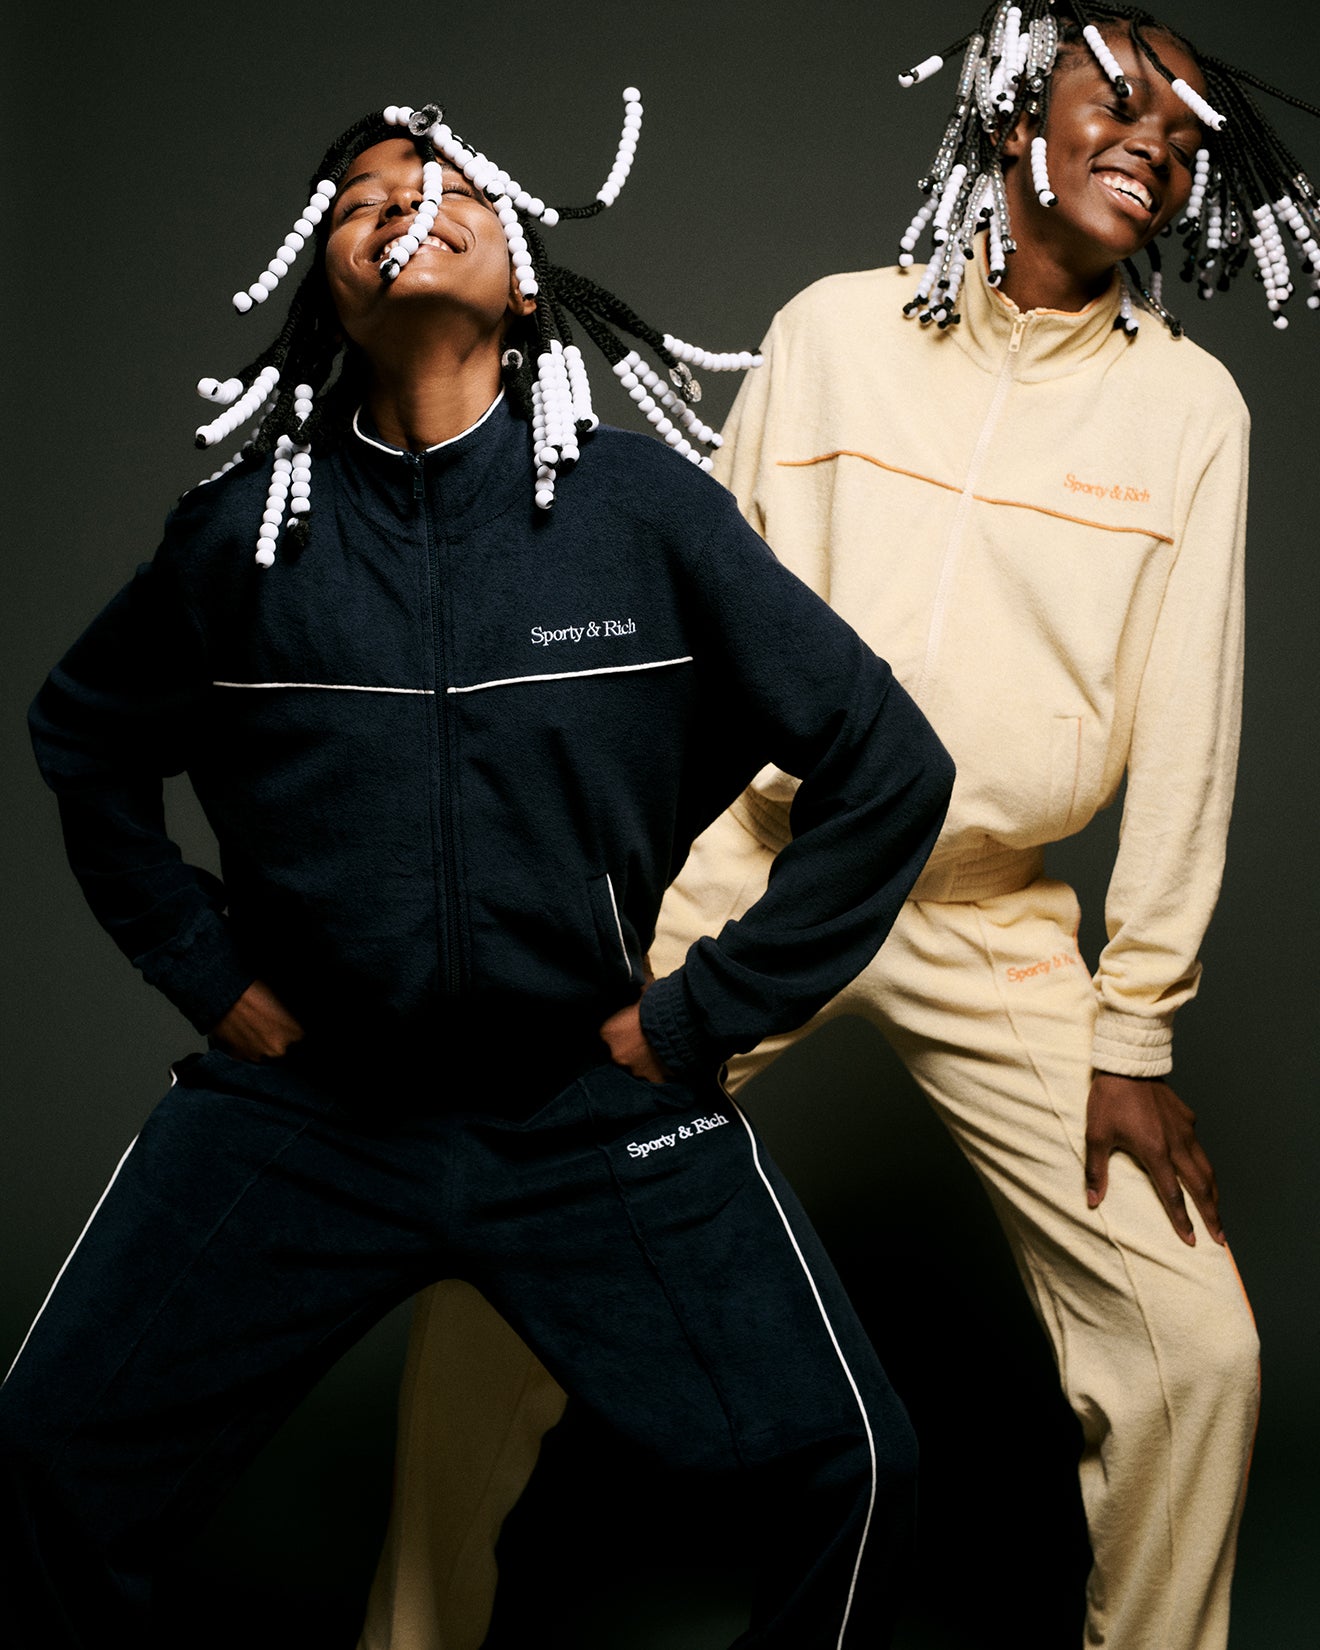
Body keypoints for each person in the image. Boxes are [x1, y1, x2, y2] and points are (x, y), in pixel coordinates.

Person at [359, 7, 1320, 1648]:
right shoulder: (830, 334)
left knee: (1202, 1347)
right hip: (755, 865)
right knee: (501, 1251)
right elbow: (691, 642)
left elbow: (1192, 734)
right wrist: (608, 903)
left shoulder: (1191, 412)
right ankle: (412, 1633)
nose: (1155, 143)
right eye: (1117, 102)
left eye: (1184, 134)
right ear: (1012, 113)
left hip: (989, 915)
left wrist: (1137, 1029)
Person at [0, 91, 957, 1649]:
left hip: (581, 1106)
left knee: (851, 1466)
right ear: (322, 284)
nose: (406, 205)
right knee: (45, 1449)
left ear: (523, 280)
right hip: (309, 1111)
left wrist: (705, 1012)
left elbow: (889, 762)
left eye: (450, 188)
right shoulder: (241, 537)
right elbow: (83, 737)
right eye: (364, 199)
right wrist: (203, 968)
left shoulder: (644, 513)